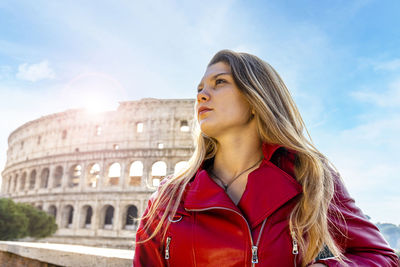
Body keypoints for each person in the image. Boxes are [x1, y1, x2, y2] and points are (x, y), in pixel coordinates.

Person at [133, 50, 398, 267]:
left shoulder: (309, 176)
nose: (202, 95)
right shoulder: (167, 197)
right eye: (200, 89)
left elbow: (382, 258)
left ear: (254, 98)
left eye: (220, 82)